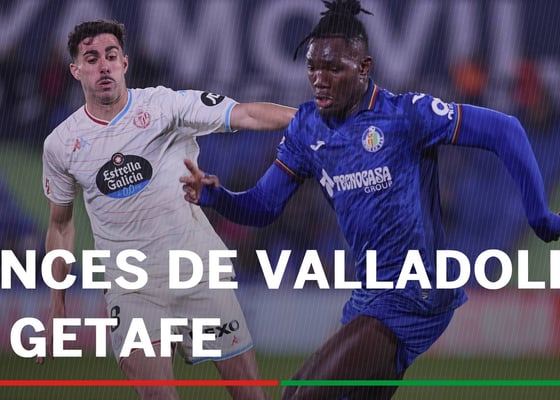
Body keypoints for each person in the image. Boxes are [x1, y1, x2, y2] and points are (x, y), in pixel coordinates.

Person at [180, 1, 560, 399]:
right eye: (313, 67)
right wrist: (216, 196)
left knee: (298, 395)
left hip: (415, 290)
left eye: (333, 68)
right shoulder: (307, 128)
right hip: (372, 293)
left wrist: (538, 214)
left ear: (364, 68)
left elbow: (506, 130)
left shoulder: (405, 115)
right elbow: (263, 206)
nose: (319, 80)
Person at [40, 19, 296, 400]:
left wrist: (312, 121)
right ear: (76, 70)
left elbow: (245, 114)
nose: (103, 66)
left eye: (111, 56)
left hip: (197, 272)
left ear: (125, 63)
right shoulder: (61, 144)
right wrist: (57, 304)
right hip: (132, 288)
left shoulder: (166, 106)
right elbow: (60, 226)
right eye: (91, 59)